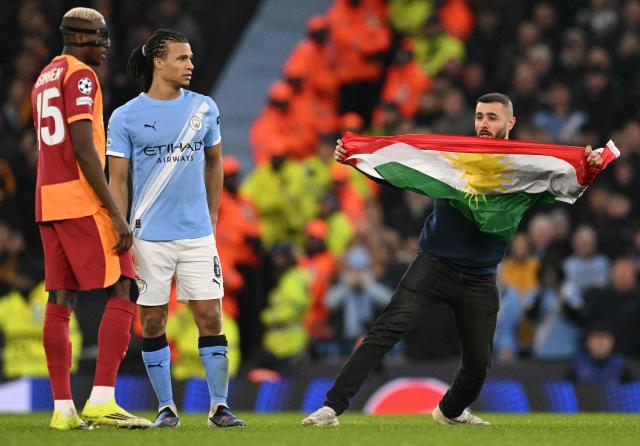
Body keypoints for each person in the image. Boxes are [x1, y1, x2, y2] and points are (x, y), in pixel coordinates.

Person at [302, 92, 604, 427]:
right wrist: (358, 158)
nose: (483, 124)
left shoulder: (524, 168)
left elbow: (563, 185)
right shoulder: (457, 155)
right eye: (479, 117)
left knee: (479, 363)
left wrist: (587, 168)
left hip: (480, 276)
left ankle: (450, 411)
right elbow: (404, 169)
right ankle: (331, 408)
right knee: (382, 334)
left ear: (510, 122)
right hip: (433, 265)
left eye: (491, 117)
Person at [107, 28, 245, 428]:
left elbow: (215, 161)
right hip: (147, 236)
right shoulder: (125, 117)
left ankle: (219, 406)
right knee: (152, 321)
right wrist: (120, 224)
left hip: (197, 234)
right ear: (159, 62)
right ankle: (166, 407)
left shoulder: (204, 108)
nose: (191, 65)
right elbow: (117, 179)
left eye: (190, 58)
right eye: (182, 58)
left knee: (210, 316)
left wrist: (214, 215)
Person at [31, 7, 150, 430]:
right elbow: (83, 147)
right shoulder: (81, 76)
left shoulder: (44, 76)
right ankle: (102, 398)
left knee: (60, 299)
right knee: (125, 283)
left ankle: (63, 409)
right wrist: (115, 213)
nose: (106, 45)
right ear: (80, 38)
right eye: (100, 38)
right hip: (81, 200)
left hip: (48, 201)